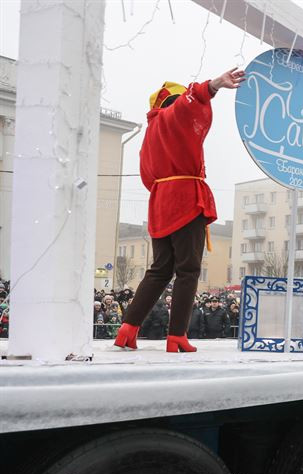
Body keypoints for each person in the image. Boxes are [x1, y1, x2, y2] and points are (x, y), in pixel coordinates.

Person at [114, 67, 245, 353]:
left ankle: (128, 328)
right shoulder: (172, 117)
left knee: (160, 270)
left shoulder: (150, 133)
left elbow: (147, 176)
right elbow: (189, 102)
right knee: (188, 270)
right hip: (185, 197)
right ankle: (177, 336)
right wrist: (214, 85)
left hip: (160, 200)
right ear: (169, 102)